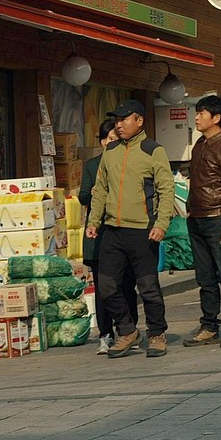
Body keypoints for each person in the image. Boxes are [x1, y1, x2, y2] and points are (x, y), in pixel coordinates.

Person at [85, 99, 174, 359]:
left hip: (142, 231)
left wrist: (161, 224)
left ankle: (156, 334)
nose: (119, 125)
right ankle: (127, 330)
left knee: (148, 287)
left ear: (139, 121)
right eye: (117, 120)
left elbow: (166, 190)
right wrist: (94, 221)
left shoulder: (153, 150)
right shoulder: (111, 151)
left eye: (124, 119)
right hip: (112, 231)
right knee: (106, 286)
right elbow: (100, 190)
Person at [182, 95, 221, 348]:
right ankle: (209, 326)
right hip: (196, 219)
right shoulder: (199, 144)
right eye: (197, 113)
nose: (197, 117)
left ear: (216, 118)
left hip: (218, 219)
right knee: (204, 277)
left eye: (202, 113)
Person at [80, 119, 139, 355]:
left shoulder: (128, 161)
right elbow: (83, 196)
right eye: (106, 139)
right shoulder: (92, 165)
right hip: (99, 233)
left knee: (126, 284)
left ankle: (130, 330)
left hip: (124, 231)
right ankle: (105, 334)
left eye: (114, 138)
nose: (109, 142)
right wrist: (93, 193)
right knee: (103, 286)